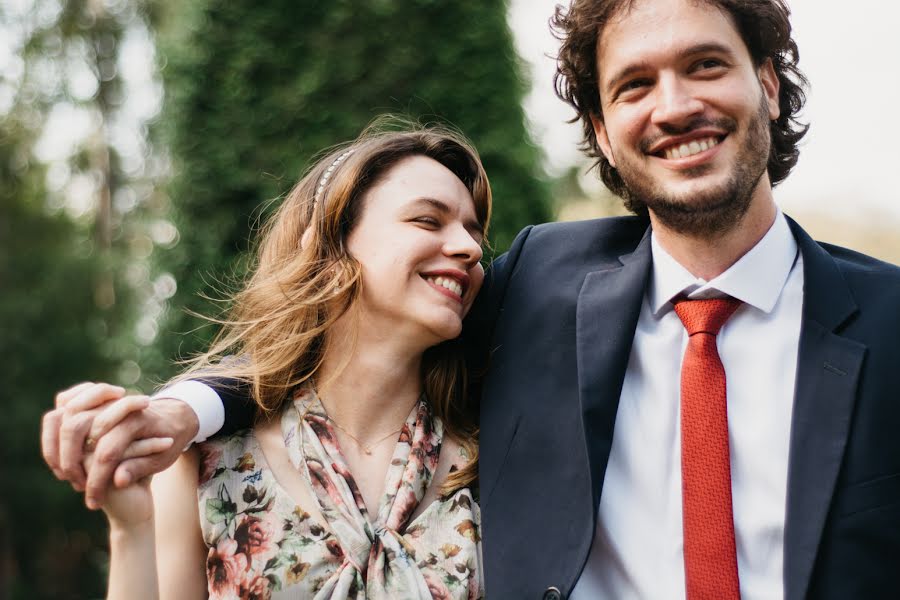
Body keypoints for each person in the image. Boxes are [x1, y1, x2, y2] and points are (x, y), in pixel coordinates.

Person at [44, 0, 900, 598]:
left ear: (769, 86)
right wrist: (186, 410)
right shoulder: (544, 281)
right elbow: (337, 355)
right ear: (603, 131)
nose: (673, 106)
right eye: (633, 85)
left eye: (705, 66)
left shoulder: (891, 321)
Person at [51, 125, 492, 599]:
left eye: (473, 230)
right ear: (328, 246)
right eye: (428, 220)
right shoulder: (208, 458)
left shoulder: (492, 451)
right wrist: (130, 527)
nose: (469, 248)